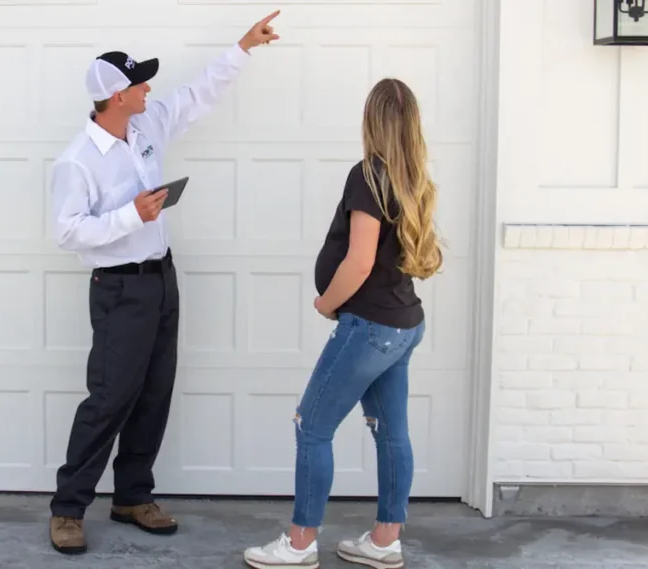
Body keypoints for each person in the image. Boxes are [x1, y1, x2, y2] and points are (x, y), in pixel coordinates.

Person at [46, 10, 282, 555]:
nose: (150, 87)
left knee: (154, 394)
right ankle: (67, 509)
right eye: (139, 82)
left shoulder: (146, 124)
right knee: (108, 400)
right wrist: (133, 217)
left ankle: (132, 496)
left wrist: (242, 46)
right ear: (115, 96)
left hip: (161, 281)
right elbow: (67, 234)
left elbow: (198, 95)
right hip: (118, 288)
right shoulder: (77, 162)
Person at [241, 77, 444, 569]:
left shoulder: (370, 173)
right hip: (403, 325)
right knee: (392, 432)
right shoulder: (412, 174)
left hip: (371, 327)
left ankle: (299, 542)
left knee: (312, 425)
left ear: (370, 120)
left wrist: (325, 302)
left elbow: (359, 261)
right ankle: (384, 540)